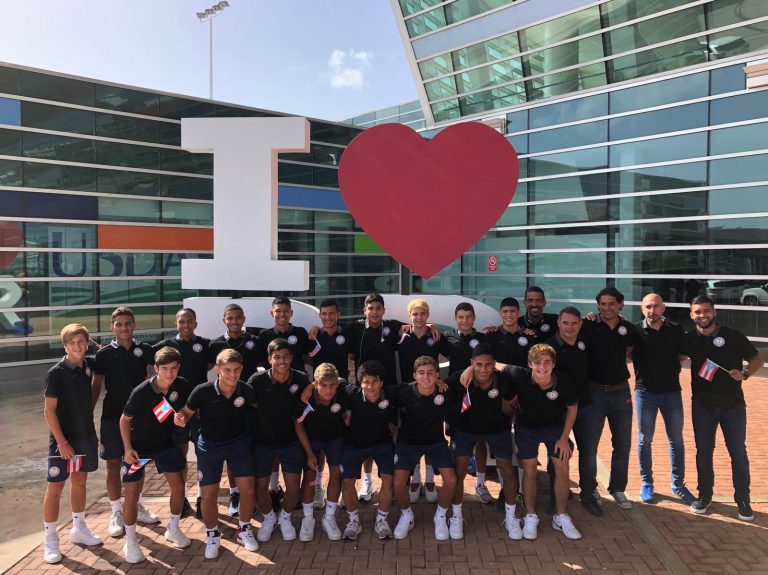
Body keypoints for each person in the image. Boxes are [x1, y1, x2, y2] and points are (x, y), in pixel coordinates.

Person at [683, 296, 763, 520]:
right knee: (703, 453)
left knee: (738, 453)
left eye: (706, 311)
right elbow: (674, 356)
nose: (703, 315)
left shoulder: (733, 336)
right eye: (698, 312)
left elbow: (756, 359)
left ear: (714, 312)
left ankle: (743, 499)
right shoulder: (689, 339)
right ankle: (704, 495)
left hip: (732, 405)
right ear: (691, 315)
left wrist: (745, 374)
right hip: (702, 406)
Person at [174, 349, 259, 559]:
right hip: (210, 446)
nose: (233, 374)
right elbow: (186, 412)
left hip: (238, 444)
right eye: (227, 370)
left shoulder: (247, 390)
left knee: (248, 490)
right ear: (218, 370)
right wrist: (180, 417)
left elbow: (258, 410)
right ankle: (212, 534)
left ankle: (244, 529)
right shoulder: (201, 391)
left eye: (237, 370)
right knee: (209, 495)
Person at [497, 344, 581, 541]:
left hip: (554, 429)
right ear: (530, 364)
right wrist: (469, 370)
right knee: (530, 469)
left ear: (553, 364)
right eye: (537, 362)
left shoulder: (563, 381)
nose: (542, 367)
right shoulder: (520, 374)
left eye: (547, 362)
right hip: (527, 429)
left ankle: (560, 517)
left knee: (562, 466)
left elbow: (572, 408)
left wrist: (564, 438)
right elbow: (495, 364)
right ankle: (530, 516)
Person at [119, 347, 192, 563]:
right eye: (165, 369)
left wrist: (182, 418)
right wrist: (127, 448)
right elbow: (124, 420)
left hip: (165, 445)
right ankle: (130, 541)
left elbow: (185, 410)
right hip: (138, 447)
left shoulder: (182, 385)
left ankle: (173, 528)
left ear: (179, 367)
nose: (170, 373)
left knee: (179, 485)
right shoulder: (141, 392)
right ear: (156, 369)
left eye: (174, 368)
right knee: (132, 493)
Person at [92, 306, 158, 538]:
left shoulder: (145, 350)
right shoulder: (103, 355)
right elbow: (96, 384)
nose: (124, 328)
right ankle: (116, 512)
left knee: (136, 463)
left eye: (127, 323)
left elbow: (160, 372)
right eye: (119, 324)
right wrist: (89, 414)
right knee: (113, 465)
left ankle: (136, 505)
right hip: (112, 416)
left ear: (134, 325)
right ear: (112, 327)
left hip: (138, 417)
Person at [42, 323, 102, 564]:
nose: (77, 346)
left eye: (81, 342)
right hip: (62, 442)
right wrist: (62, 442)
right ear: (65, 345)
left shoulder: (88, 366)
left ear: (87, 344)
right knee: (55, 487)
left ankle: (78, 528)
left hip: (85, 437)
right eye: (72, 342)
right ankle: (50, 539)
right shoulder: (56, 373)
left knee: (80, 481)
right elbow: (49, 411)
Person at [453, 344, 521, 540]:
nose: (483, 369)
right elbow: (440, 387)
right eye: (478, 364)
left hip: (497, 430)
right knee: (459, 471)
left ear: (494, 364)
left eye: (488, 365)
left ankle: (511, 516)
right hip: (466, 430)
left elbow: (519, 391)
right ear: (471, 363)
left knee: (508, 471)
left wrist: (508, 404)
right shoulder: (460, 378)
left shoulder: (504, 380)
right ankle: (456, 516)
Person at [632, 294, 694, 505]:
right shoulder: (635, 331)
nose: (652, 310)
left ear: (663, 308)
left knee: (676, 439)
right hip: (645, 393)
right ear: (642, 309)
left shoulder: (676, 330)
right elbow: (630, 353)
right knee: (645, 439)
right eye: (648, 307)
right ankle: (647, 483)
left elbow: (682, 356)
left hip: (671, 393)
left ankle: (678, 484)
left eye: (656, 306)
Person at [248, 338, 310, 542]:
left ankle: (285, 518)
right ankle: (269, 518)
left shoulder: (301, 378)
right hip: (262, 442)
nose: (281, 361)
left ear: (291, 358)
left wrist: (312, 387)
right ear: (269, 359)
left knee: (293, 487)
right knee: (260, 488)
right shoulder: (256, 380)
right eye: (277, 357)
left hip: (290, 442)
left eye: (285, 357)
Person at [153, 307, 211, 517]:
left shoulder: (205, 345)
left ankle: (202, 498)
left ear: (195, 324)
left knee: (204, 454)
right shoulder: (164, 346)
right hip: (175, 412)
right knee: (180, 454)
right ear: (176, 323)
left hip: (199, 410)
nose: (186, 325)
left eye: (189, 321)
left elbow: (213, 362)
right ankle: (182, 497)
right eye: (181, 321)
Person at [580, 287, 635, 510]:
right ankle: (589, 488)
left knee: (622, 444)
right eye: (603, 304)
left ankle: (618, 488)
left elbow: (634, 352)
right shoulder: (588, 325)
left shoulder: (628, 328)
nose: (607, 308)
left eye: (611, 304)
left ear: (620, 304)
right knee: (589, 445)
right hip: (595, 392)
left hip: (621, 393)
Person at [208, 303, 265, 516]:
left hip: (249, 404)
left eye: (238, 317)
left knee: (251, 450)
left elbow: (267, 366)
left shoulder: (255, 341)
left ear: (244, 319)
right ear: (224, 320)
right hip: (225, 406)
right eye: (230, 318)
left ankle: (256, 493)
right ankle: (235, 493)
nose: (234, 322)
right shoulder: (215, 344)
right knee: (231, 452)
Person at [393, 356, 458, 541]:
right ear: (414, 375)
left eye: (430, 373)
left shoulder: (445, 392)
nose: (426, 377)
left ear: (437, 375)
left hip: (436, 442)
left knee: (451, 481)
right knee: (398, 484)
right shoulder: (403, 393)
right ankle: (407, 515)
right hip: (408, 443)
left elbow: (461, 381)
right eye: (421, 373)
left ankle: (440, 516)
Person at [547, 307, 602, 516]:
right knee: (557, 454)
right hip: (558, 410)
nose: (570, 327)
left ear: (580, 324)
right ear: (558, 323)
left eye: (574, 323)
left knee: (588, 452)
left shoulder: (585, 340)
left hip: (585, 406)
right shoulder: (549, 347)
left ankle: (588, 495)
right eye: (565, 323)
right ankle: (555, 498)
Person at [338, 360, 398, 541]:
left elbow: (417, 384)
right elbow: (334, 379)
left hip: (382, 445)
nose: (370, 387)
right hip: (354, 445)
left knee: (389, 481)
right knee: (347, 483)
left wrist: (438, 381)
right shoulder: (351, 393)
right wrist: (311, 387)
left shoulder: (391, 393)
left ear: (381, 382)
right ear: (360, 382)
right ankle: (353, 521)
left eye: (374, 382)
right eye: (366, 382)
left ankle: (382, 521)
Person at [295, 363, 349, 541]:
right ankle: (308, 518)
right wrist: (309, 453)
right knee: (310, 474)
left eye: (332, 385)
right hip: (312, 439)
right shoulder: (306, 398)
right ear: (315, 384)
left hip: (335, 438)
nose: (328, 390)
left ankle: (329, 517)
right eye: (323, 385)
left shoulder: (343, 392)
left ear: (337, 384)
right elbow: (298, 424)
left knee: (336, 472)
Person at [306, 298, 350, 510]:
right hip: (320, 393)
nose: (328, 317)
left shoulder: (347, 334)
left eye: (332, 313)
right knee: (320, 441)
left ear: (338, 314)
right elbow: (306, 360)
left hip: (341, 391)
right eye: (324, 314)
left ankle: (345, 490)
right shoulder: (314, 337)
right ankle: (318, 486)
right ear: (320, 315)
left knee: (340, 438)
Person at [398, 299, 441, 504]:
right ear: (409, 316)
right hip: (410, 393)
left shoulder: (435, 336)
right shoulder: (401, 336)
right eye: (415, 314)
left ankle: (430, 479)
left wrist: (433, 327)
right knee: (412, 433)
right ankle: (415, 478)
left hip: (432, 392)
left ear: (428, 315)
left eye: (423, 314)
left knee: (433, 432)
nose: (419, 317)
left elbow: (453, 351)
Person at [259, 296, 312, 373]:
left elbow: (308, 358)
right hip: (272, 380)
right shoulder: (265, 335)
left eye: (286, 311)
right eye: (278, 311)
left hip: (297, 379)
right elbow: (261, 361)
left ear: (291, 313)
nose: (282, 314)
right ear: (272, 313)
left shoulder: (301, 332)